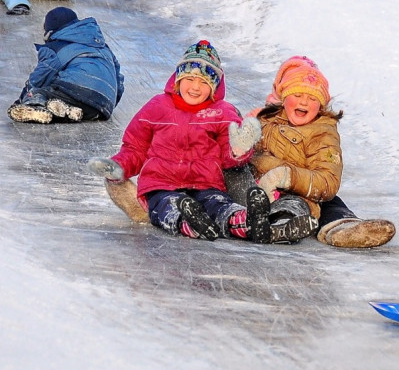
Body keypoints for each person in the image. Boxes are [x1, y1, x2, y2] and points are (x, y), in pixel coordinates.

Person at [88, 40, 270, 242]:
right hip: (162, 184)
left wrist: (238, 149)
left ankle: (243, 221)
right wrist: (119, 165)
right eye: (189, 79)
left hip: (205, 184)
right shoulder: (157, 107)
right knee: (168, 206)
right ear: (178, 79)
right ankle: (187, 222)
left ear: (214, 87)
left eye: (204, 82)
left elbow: (228, 160)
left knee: (219, 204)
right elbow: (136, 148)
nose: (195, 87)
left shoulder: (222, 112)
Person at [247, 56, 395, 248]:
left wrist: (287, 177)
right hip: (255, 190)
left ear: (321, 105)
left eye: (312, 98)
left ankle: (338, 227)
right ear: (284, 97)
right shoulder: (265, 119)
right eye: (298, 95)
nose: (305, 102)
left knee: (320, 201)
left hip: (298, 194)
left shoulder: (322, 132)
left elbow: (328, 180)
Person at [7, 7, 124, 124]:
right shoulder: (103, 46)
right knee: (65, 101)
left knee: (38, 93)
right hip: (103, 104)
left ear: (50, 31)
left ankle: (35, 105)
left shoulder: (56, 46)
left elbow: (39, 78)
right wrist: (108, 102)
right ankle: (70, 111)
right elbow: (119, 80)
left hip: (76, 88)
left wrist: (23, 97)